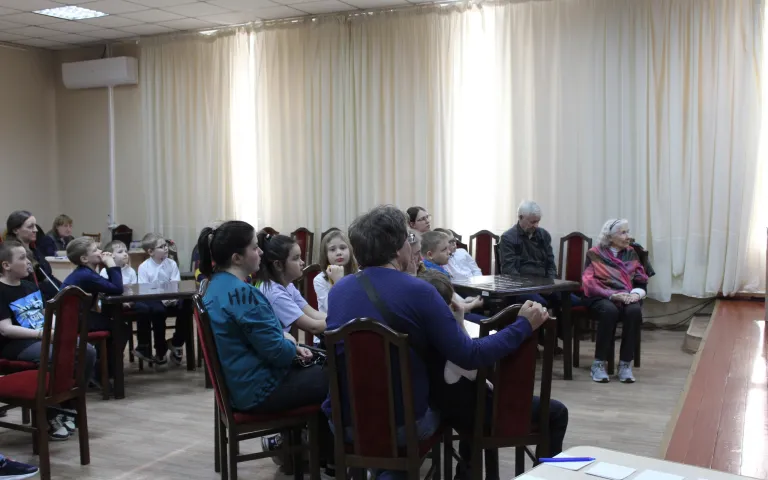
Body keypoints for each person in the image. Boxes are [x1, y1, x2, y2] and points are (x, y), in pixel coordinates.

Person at [324, 205, 568, 480]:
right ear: (398, 248)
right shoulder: (419, 291)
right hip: (406, 427)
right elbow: (470, 355)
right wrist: (522, 325)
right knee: (455, 399)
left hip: (346, 424)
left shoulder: (339, 290)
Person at [198, 221, 332, 462]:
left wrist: (288, 342)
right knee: (339, 376)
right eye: (254, 247)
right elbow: (279, 353)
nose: (261, 251)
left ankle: (311, 452)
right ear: (237, 258)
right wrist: (290, 342)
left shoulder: (215, 285)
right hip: (259, 390)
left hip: (241, 384)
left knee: (324, 369)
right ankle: (329, 456)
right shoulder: (243, 294)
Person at [0, 241, 96, 440]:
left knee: (87, 351)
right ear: (6, 265)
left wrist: (54, 328)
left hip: (43, 336)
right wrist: (41, 334)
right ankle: (52, 414)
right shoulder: (1, 290)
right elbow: (5, 329)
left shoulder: (29, 286)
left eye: (28, 257)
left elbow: (46, 313)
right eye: (22, 258)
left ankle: (69, 406)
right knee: (55, 357)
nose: (28, 262)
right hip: (16, 344)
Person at [582, 219, 648, 384]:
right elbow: (589, 284)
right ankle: (598, 364)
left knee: (634, 311)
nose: (628, 236)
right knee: (609, 311)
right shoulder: (594, 254)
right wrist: (612, 295)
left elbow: (641, 281)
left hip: (626, 296)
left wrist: (636, 295)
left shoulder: (631, 253)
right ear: (610, 237)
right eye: (623, 233)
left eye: (628, 232)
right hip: (599, 296)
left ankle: (625, 364)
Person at [62, 237, 124, 380]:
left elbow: (111, 287)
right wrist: (111, 264)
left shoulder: (85, 272)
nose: (101, 252)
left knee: (116, 324)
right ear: (84, 259)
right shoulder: (86, 275)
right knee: (120, 328)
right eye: (95, 250)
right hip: (74, 321)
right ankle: (103, 374)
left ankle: (101, 370)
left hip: (76, 317)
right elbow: (117, 288)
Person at [137, 233, 190, 366]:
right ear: (150, 252)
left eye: (165, 245)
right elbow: (145, 289)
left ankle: (176, 342)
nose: (166, 248)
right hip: (154, 299)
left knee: (187, 305)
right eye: (161, 247)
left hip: (171, 296)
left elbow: (175, 283)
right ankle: (160, 349)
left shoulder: (172, 263)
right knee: (158, 311)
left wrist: (172, 297)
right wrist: (161, 298)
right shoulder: (143, 267)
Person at [257, 233, 327, 336]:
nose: (302, 262)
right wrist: (343, 321)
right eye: (296, 258)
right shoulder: (275, 294)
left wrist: (340, 319)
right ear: (278, 265)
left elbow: (313, 314)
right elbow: (313, 327)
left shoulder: (288, 285)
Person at [420, 231, 485, 323]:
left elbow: (452, 301)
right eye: (444, 250)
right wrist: (474, 304)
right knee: (489, 322)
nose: (449, 252)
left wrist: (465, 300)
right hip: (447, 320)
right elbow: (455, 309)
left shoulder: (427, 267)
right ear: (430, 255)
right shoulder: (437, 276)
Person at [5, 211, 61, 300]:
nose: (36, 230)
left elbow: (48, 276)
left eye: (35, 226)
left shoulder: (35, 249)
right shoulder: (12, 254)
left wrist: (64, 289)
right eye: (30, 227)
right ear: (15, 230)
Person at [313, 230, 358, 314]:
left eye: (343, 248)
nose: (339, 253)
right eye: (332, 249)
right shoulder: (320, 280)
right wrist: (338, 282)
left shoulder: (360, 275)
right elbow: (333, 309)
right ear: (325, 255)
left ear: (350, 250)